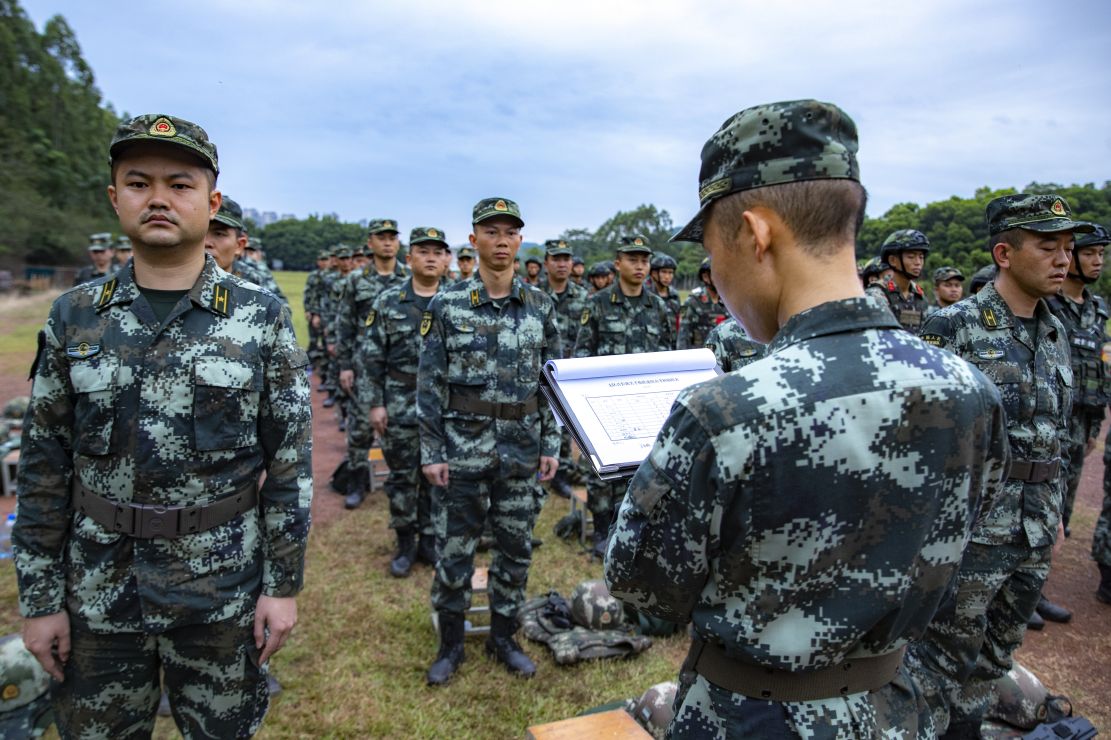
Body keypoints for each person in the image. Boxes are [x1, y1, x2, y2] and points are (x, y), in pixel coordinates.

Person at [604, 99, 1008, 739]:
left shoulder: (723, 413)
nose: (717, 278)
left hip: (752, 716)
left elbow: (643, 590)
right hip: (900, 710)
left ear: (755, 234)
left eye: (712, 250)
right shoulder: (971, 390)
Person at [13, 113, 312, 737]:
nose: (158, 199)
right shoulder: (74, 317)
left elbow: (290, 466)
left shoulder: (260, 318)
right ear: (114, 197)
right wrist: (40, 600)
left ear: (212, 202)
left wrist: (282, 587)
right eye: (138, 182)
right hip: (98, 589)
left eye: (179, 184)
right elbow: (43, 467)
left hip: (222, 589)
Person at [910, 193, 1088, 737]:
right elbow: (920, 438)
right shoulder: (953, 326)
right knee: (941, 660)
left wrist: (1054, 514)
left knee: (996, 654)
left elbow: (1055, 432)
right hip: (972, 531)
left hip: (1034, 525)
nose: (1064, 259)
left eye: (1068, 247)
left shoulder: (1055, 329)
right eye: (1048, 246)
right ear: (1005, 254)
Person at [418, 197, 560, 685]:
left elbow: (553, 384)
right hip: (463, 450)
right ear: (473, 239)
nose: (501, 241)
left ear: (520, 240)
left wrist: (551, 444)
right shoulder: (447, 304)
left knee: (515, 549)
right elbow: (429, 386)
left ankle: (503, 637)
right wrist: (432, 452)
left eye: (510, 232)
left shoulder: (541, 305)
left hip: (521, 451)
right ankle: (450, 644)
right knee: (455, 550)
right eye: (491, 232)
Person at [574, 239, 673, 558]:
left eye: (644, 260)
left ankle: (637, 530)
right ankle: (602, 530)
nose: (640, 266)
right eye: (633, 259)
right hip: (604, 405)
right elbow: (582, 355)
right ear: (618, 264)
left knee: (644, 469)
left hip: (646, 406)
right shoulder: (598, 304)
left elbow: (668, 356)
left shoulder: (658, 307)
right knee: (602, 472)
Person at [361, 227, 450, 577]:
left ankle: (429, 539)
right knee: (402, 477)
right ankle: (405, 541)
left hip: (444, 406)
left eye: (438, 252)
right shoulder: (388, 301)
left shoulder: (458, 301)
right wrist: (375, 404)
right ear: (409, 258)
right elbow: (371, 358)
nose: (431, 258)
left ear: (447, 259)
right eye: (423, 251)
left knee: (439, 477)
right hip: (400, 403)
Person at [1041, 222, 1110, 624]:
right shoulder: (1048, 304)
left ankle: (1037, 587)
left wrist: (1095, 425)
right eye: (1089, 253)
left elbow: (1100, 368)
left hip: (1081, 421)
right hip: (1048, 421)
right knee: (1034, 504)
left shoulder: (1097, 309)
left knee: (1063, 508)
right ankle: (1020, 591)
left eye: (1102, 254)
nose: (1097, 261)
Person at [337, 220, 408, 508]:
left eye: (392, 237)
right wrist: (345, 365)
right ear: (371, 243)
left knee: (401, 428)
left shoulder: (408, 278)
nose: (387, 242)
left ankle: (400, 483)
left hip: (400, 367)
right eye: (382, 237)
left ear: (398, 243)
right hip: (364, 365)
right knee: (360, 428)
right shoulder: (356, 280)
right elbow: (344, 324)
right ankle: (357, 482)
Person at [540, 239, 588, 499]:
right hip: (540, 371)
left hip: (571, 371)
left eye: (566, 259)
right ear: (546, 262)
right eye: (556, 259)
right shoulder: (534, 294)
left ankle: (563, 470)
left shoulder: (583, 297)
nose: (562, 264)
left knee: (568, 423)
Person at [866, 229, 931, 333]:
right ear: (893, 260)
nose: (918, 262)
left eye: (921, 257)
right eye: (911, 257)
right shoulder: (876, 294)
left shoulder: (920, 296)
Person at [677, 258, 728, 350]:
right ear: (705, 277)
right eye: (717, 274)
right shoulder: (691, 301)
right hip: (701, 355)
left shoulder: (728, 301)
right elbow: (683, 336)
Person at [646, 249, 681, 346]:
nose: (667, 277)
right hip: (650, 346)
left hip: (671, 345)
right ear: (653, 273)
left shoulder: (674, 295)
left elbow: (678, 322)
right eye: (664, 272)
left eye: (670, 273)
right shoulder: (645, 293)